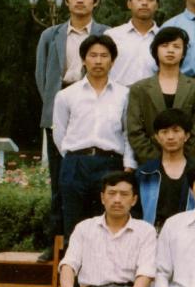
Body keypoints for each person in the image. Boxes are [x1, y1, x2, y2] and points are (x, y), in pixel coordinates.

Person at [35, 0, 108, 260]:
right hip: (61, 107)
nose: (80, 0)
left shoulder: (106, 33)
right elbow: (42, 76)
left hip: (94, 108)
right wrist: (54, 106)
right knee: (59, 182)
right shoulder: (50, 35)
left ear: (95, 2)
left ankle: (94, 245)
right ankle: (56, 242)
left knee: (92, 182)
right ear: (66, 1)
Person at [52, 34, 135, 240]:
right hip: (76, 164)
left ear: (112, 61)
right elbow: (59, 133)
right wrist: (72, 159)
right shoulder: (66, 95)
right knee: (74, 227)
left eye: (104, 56)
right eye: (93, 55)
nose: (98, 61)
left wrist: (128, 165)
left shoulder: (124, 95)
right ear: (83, 60)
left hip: (110, 163)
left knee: (108, 226)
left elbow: (128, 132)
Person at [126, 26, 195, 165]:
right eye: (165, 45)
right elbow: (135, 131)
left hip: (187, 164)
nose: (170, 50)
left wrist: (184, 161)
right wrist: (156, 160)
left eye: (176, 46)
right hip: (151, 163)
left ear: (183, 53)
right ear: (155, 51)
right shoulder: (139, 88)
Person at [135, 108, 195, 229]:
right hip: (152, 233)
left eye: (176, 131)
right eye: (164, 132)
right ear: (157, 137)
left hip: (189, 233)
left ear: (186, 136)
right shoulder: (145, 173)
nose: (170, 137)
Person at [107, 0, 160, 87]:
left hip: (153, 95)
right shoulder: (112, 36)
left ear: (157, 5)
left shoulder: (164, 39)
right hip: (118, 95)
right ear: (129, 4)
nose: (144, 3)